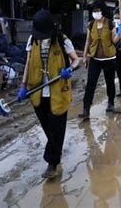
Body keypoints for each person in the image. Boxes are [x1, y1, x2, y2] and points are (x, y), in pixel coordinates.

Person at [18, 10, 79, 179]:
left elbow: (76, 60)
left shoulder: (62, 40)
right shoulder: (32, 41)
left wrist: (69, 69)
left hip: (58, 91)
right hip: (37, 92)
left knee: (57, 128)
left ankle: (52, 164)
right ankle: (56, 150)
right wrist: (23, 85)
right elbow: (28, 63)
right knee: (48, 128)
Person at [79, 0, 117, 119]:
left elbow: (114, 41)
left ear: (102, 11)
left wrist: (120, 32)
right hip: (95, 58)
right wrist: (85, 56)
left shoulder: (110, 24)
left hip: (109, 58)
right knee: (91, 83)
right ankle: (86, 109)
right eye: (94, 11)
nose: (95, 13)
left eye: (97, 10)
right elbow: (88, 41)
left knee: (109, 82)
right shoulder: (91, 24)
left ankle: (111, 102)